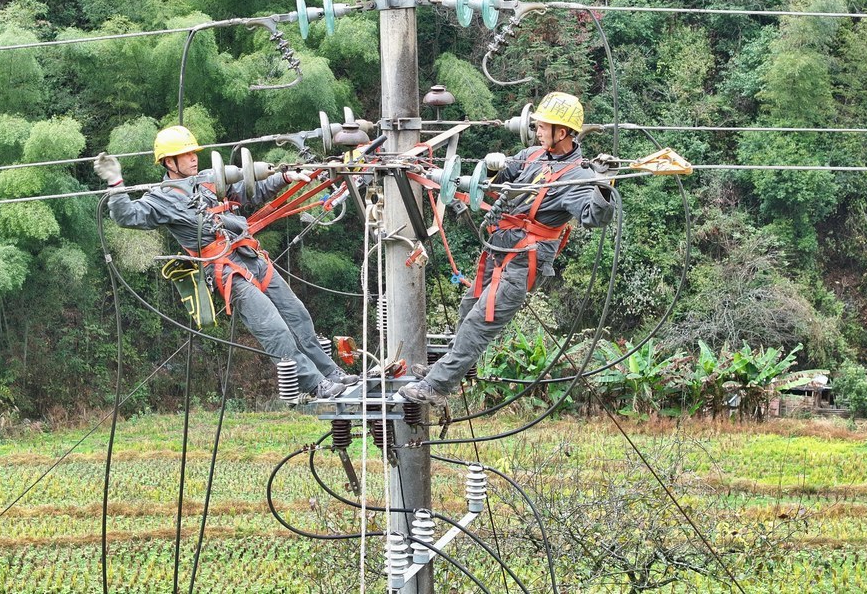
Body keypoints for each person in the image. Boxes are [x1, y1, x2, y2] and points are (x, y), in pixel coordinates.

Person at [94, 125, 358, 400]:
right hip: (226, 270)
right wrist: (116, 183)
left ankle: (330, 373)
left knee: (298, 315)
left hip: (251, 256)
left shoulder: (211, 179)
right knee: (274, 329)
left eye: (194, 153)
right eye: (186, 155)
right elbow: (127, 216)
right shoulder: (161, 199)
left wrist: (284, 177)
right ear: (169, 163)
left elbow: (252, 190)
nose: (193, 158)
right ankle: (315, 384)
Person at [399, 91, 615, 405]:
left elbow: (593, 217)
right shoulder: (533, 155)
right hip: (500, 250)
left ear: (562, 133)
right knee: (468, 308)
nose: (537, 131)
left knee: (480, 321)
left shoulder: (576, 177)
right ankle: (451, 369)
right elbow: (501, 179)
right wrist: (492, 167)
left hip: (522, 263)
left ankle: (437, 387)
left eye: (543, 127)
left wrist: (604, 185)